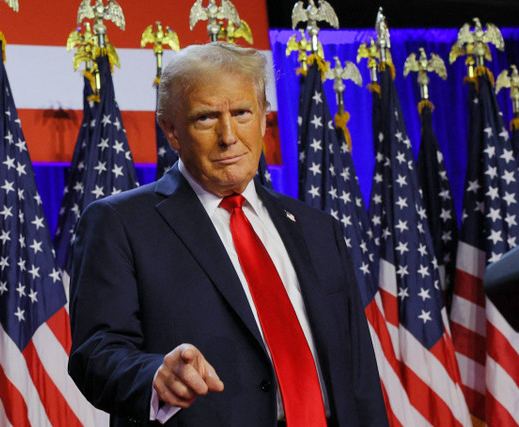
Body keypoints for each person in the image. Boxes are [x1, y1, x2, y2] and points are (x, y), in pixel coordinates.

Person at [68, 42, 388, 427]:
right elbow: (96, 354)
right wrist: (154, 376)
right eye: (205, 118)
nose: (228, 136)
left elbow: (359, 375)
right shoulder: (119, 223)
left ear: (264, 118)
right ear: (171, 130)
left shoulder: (319, 228)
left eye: (241, 113)